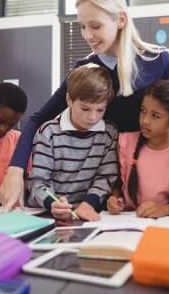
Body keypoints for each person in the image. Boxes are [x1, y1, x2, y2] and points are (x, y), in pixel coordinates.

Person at [0, 0, 169, 211]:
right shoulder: (85, 69)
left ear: (120, 20)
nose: (87, 35)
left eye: (95, 26)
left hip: (146, 169)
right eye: (82, 26)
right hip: (105, 177)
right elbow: (38, 119)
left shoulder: (157, 60)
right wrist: (15, 170)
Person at [27, 64, 118, 222]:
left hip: (88, 214)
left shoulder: (109, 134)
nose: (92, 117)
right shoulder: (48, 132)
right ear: (69, 99)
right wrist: (53, 204)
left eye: (100, 110)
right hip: (49, 214)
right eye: (85, 109)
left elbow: (105, 178)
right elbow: (38, 182)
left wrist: (89, 203)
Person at [107, 80, 169, 218]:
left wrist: (164, 210)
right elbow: (118, 185)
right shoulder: (125, 142)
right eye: (143, 111)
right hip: (127, 223)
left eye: (155, 116)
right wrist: (114, 200)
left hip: (165, 225)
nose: (145, 120)